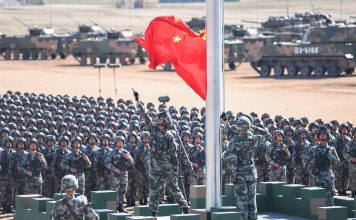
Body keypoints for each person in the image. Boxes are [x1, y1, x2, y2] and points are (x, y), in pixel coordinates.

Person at [136, 92, 189, 217]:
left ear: (165, 121)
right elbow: (145, 116)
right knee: (153, 190)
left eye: (161, 118)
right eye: (158, 117)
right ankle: (153, 212)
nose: (158, 119)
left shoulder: (169, 136)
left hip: (167, 167)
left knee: (174, 188)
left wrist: (175, 170)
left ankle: (185, 207)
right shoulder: (153, 130)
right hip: (154, 166)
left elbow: (173, 155)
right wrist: (138, 102)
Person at [223, 115, 268, 220]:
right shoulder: (253, 139)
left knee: (241, 201)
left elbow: (232, 161)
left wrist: (233, 176)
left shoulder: (234, 142)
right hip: (251, 173)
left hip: (239, 174)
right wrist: (254, 127)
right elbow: (267, 135)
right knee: (252, 200)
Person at [303, 126, 339, 206]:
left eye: (324, 134)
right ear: (318, 136)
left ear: (327, 136)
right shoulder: (313, 149)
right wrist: (312, 168)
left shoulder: (331, 149)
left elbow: (336, 163)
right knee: (317, 198)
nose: (323, 135)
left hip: (328, 177)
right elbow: (305, 161)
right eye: (321, 134)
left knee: (330, 198)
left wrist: (329, 154)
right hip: (317, 177)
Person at [105, 136, 134, 212]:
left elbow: (132, 163)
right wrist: (114, 168)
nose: (120, 143)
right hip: (115, 175)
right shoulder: (112, 152)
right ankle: (112, 208)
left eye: (121, 141)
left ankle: (121, 207)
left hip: (124, 175)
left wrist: (128, 158)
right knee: (114, 191)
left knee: (123, 191)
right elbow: (106, 162)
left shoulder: (126, 152)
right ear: (116, 142)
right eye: (118, 141)